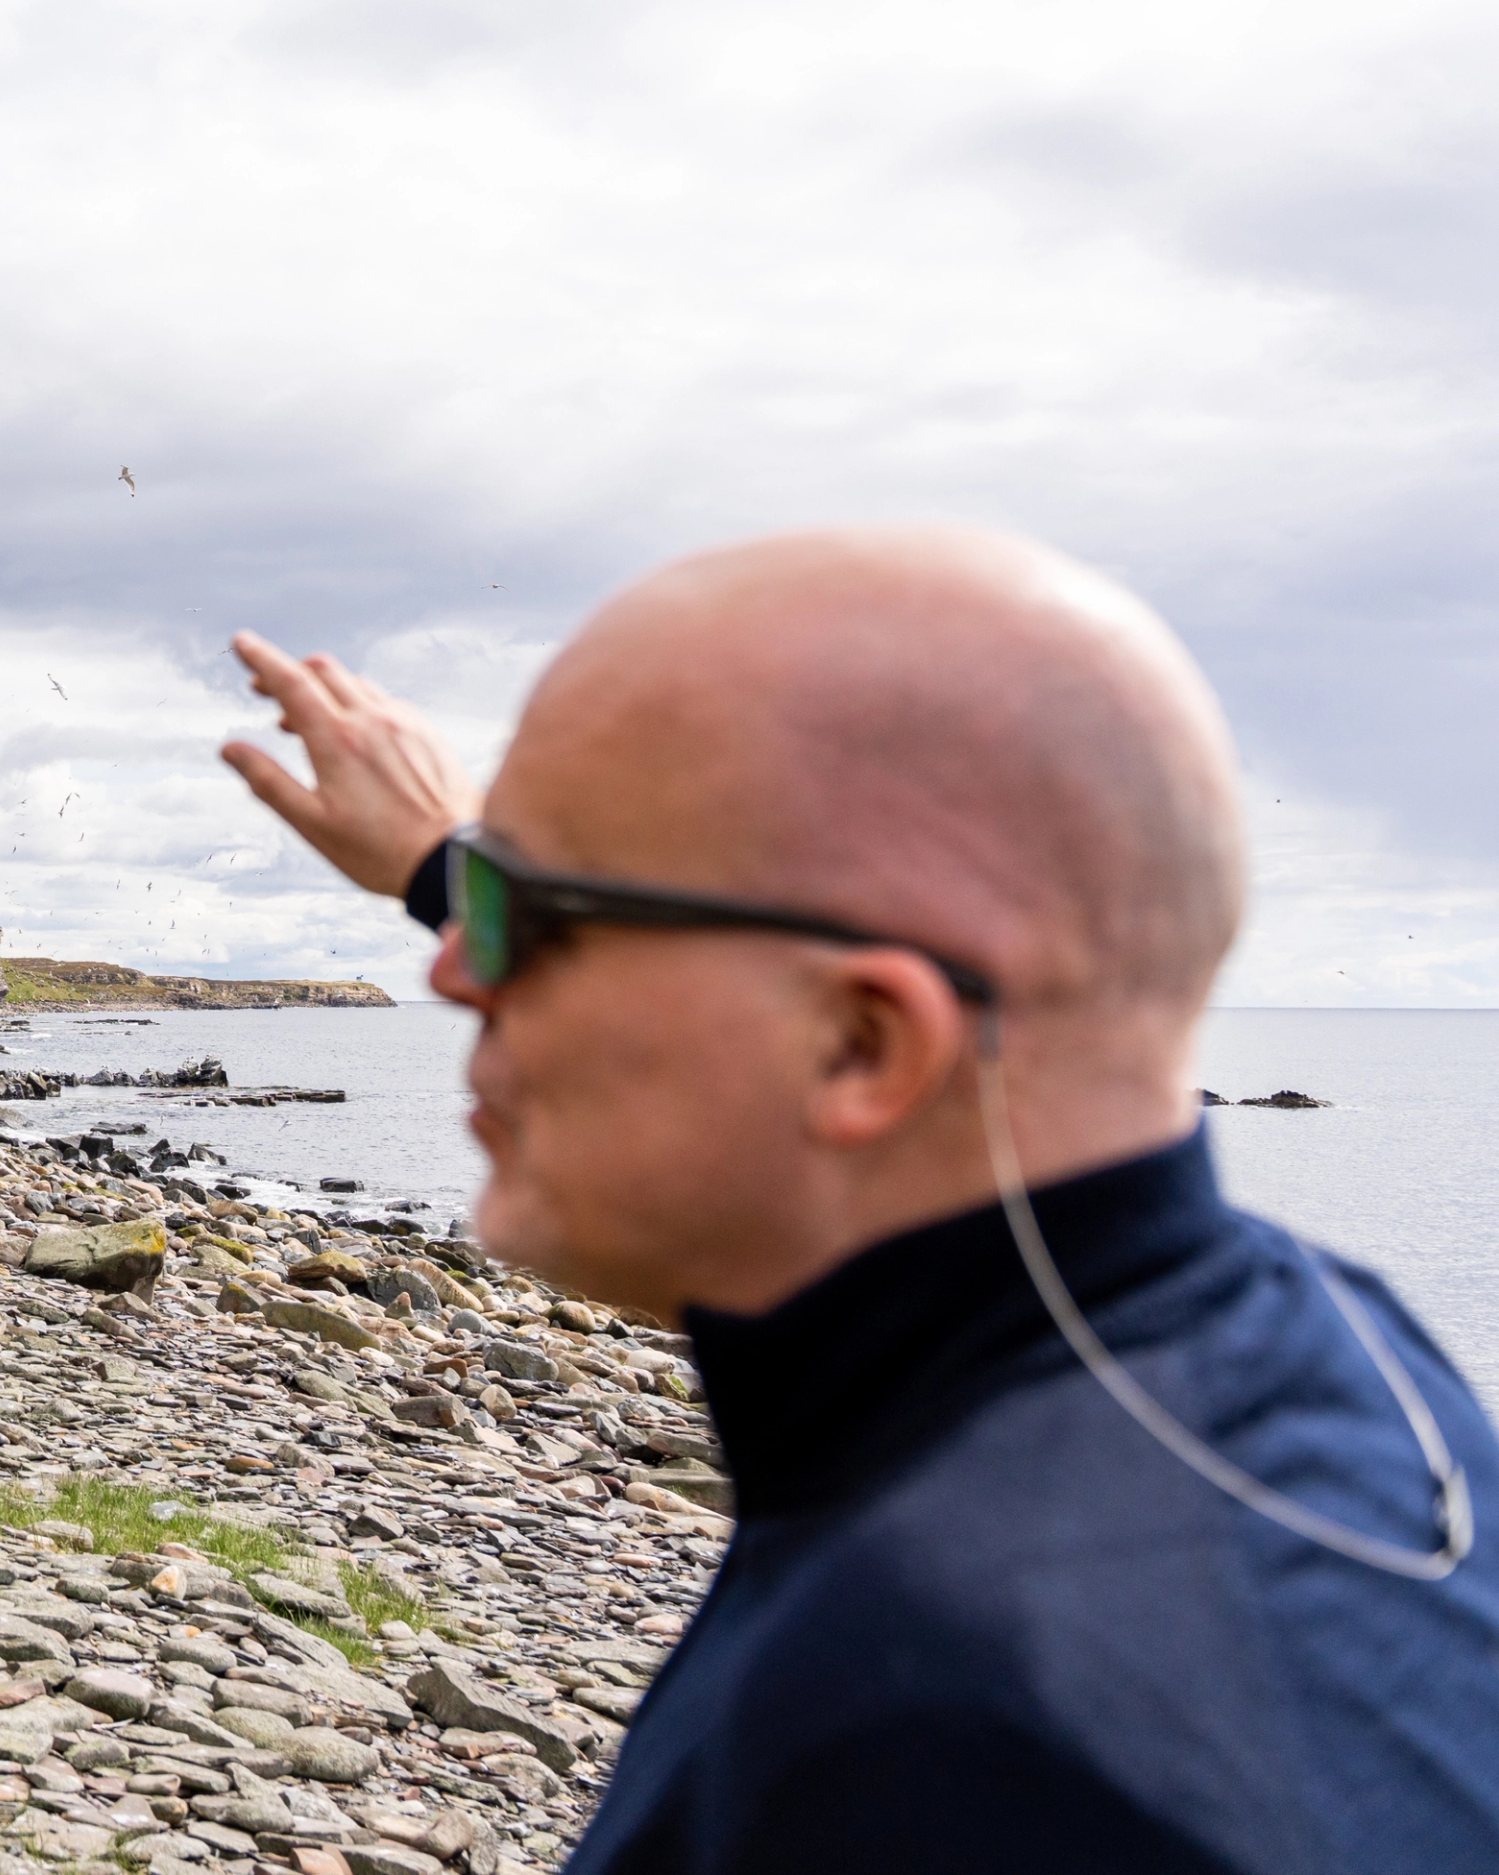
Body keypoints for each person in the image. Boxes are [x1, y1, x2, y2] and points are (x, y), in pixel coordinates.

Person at [220, 526, 1499, 1872]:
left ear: (864, 1046)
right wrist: (452, 860)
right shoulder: (1346, 1349)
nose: (456, 973)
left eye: (532, 913)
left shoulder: (927, 1746)